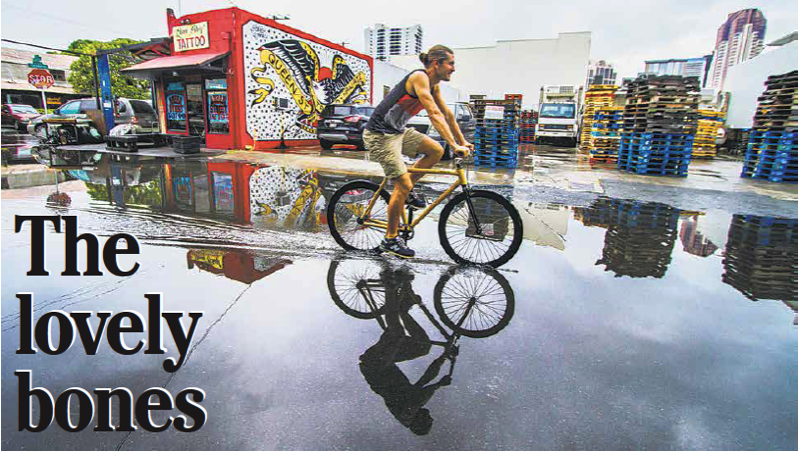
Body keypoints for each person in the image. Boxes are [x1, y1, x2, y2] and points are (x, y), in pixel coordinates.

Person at [363, 45, 474, 259]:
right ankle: (390, 239)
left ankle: (408, 189)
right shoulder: (419, 78)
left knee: (435, 150)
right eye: (450, 63)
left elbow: (447, 115)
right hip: (379, 135)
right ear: (436, 64)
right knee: (402, 185)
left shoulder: (435, 86)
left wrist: (462, 141)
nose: (453, 68)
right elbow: (433, 113)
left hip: (397, 132)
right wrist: (454, 145)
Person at [359, 266, 452, 435]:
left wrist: (438, 384)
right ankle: (402, 311)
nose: (430, 416)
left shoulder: (407, 414)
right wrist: (444, 357)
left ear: (420, 421)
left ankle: (389, 286)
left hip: (374, 366)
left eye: (429, 420)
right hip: (384, 364)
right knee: (423, 346)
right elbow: (426, 379)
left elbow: (423, 393)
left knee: (396, 335)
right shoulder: (411, 405)